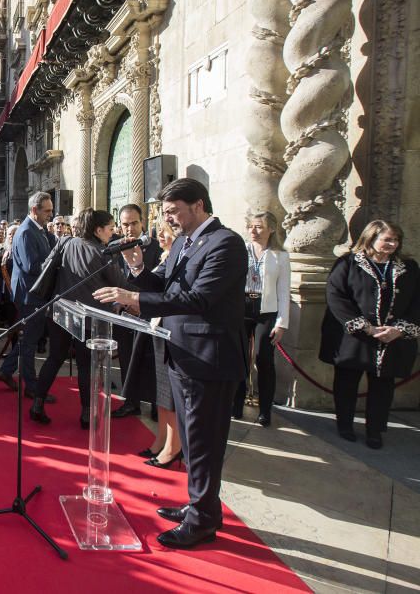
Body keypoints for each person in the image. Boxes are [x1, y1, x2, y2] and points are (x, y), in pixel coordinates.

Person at [95, 178, 247, 549]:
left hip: (208, 359)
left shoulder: (226, 243)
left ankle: (202, 521)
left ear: (197, 205)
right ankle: (202, 506)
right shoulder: (182, 242)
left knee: (205, 440)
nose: (169, 220)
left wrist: (134, 296)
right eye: (164, 214)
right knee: (193, 440)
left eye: (173, 212)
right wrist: (135, 270)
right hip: (180, 353)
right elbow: (159, 284)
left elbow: (199, 298)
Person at [320, 220, 418, 449]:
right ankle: (345, 424)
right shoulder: (348, 263)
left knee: (383, 386)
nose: (392, 244)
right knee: (347, 382)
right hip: (356, 336)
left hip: (391, 337)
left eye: (395, 240)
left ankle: (375, 430)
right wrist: (365, 327)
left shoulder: (409, 267)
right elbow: (336, 296)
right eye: (387, 239)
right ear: (371, 238)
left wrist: (399, 329)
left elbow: (416, 302)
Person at [33, 209, 129, 427]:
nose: (113, 233)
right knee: (86, 365)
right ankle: (86, 414)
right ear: (98, 230)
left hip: (60, 311)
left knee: (54, 358)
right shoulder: (102, 253)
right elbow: (121, 284)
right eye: (111, 229)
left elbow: (44, 266)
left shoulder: (65, 242)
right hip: (89, 317)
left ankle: (37, 403)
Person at [0, 192, 56, 399]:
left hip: (34, 293)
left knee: (29, 338)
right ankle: (31, 386)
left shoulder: (37, 229)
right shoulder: (28, 231)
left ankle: (5, 370)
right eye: (47, 211)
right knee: (29, 341)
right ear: (34, 210)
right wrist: (56, 261)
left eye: (51, 210)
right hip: (31, 295)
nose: (50, 214)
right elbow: (32, 266)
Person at [130, 220, 183, 467]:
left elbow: (169, 295)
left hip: (174, 329)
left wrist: (133, 298)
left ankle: (173, 447)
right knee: (162, 392)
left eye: (165, 230)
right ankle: (161, 438)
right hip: (157, 326)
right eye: (159, 230)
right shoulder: (165, 256)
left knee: (171, 395)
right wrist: (137, 266)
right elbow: (153, 284)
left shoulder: (182, 255)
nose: (159, 234)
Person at [232, 211, 290, 426]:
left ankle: (265, 410)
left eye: (258, 227)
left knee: (263, 357)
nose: (253, 231)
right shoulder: (240, 251)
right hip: (241, 308)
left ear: (271, 229)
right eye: (250, 226)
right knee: (239, 357)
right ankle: (236, 405)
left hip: (266, 311)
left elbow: (284, 290)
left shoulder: (280, 256)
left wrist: (282, 322)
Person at [112, 204, 164, 419]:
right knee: (126, 358)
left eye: (134, 223)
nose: (129, 228)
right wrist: (120, 303)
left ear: (142, 222)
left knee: (151, 360)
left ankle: (155, 405)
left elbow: (157, 281)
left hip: (148, 313)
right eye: (125, 224)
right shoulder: (114, 247)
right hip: (123, 313)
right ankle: (131, 402)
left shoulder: (155, 248)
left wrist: (139, 302)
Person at [0, 224, 19, 327]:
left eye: (14, 234)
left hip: (16, 291)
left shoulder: (20, 251)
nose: (11, 236)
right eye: (9, 234)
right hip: (5, 290)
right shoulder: (6, 251)